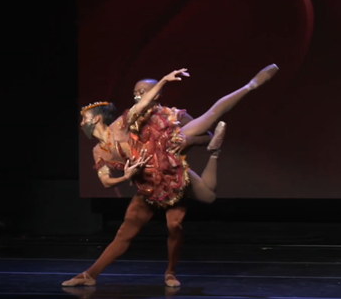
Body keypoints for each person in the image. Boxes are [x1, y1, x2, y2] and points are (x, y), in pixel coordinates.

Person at [63, 64, 279, 288]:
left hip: (169, 167)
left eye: (143, 91)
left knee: (178, 222)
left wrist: (186, 141)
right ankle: (89, 275)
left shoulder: (162, 117)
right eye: (135, 92)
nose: (137, 95)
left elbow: (202, 133)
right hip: (147, 185)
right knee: (125, 232)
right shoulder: (111, 138)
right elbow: (106, 179)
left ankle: (249, 87)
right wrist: (126, 177)